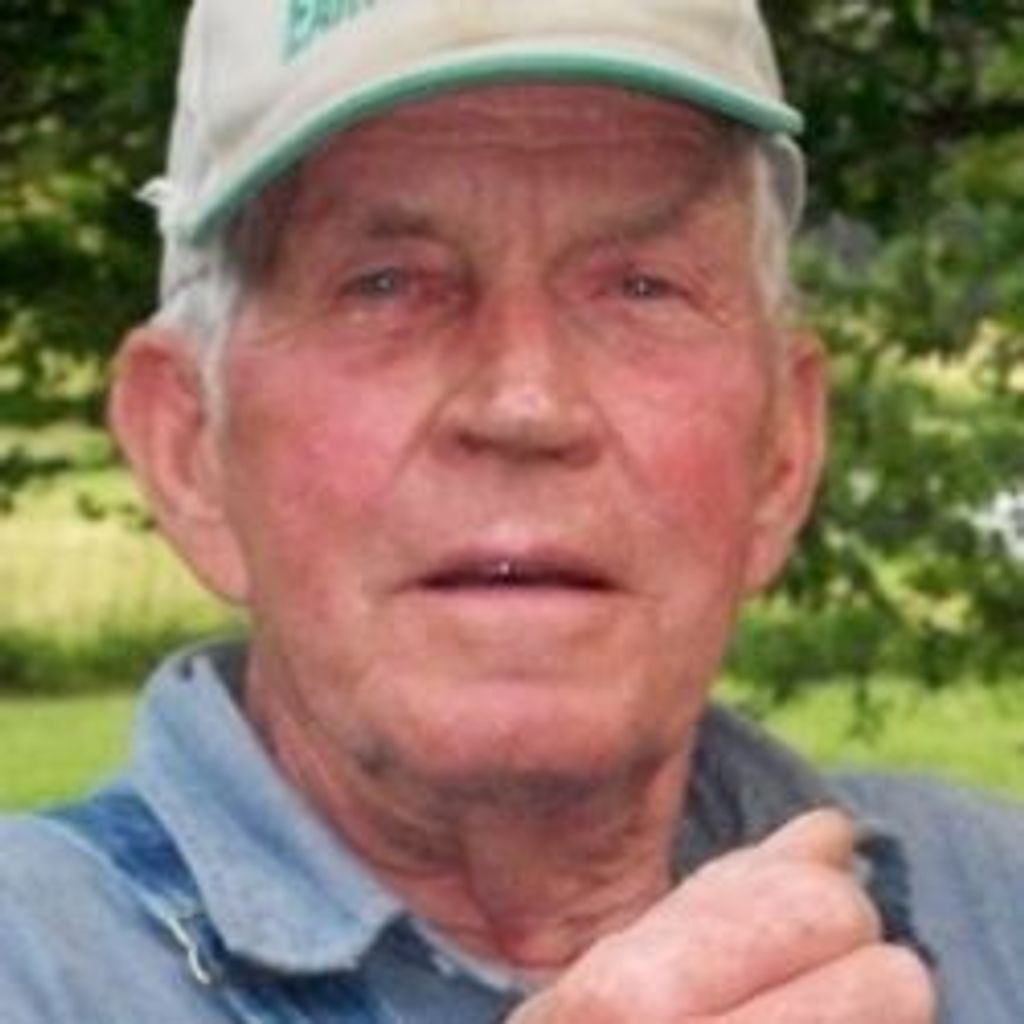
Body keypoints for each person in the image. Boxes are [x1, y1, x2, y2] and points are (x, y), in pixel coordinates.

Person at [2, 2, 1021, 1022]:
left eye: (641, 287)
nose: (524, 404)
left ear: (783, 449)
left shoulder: (994, 904)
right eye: (385, 285)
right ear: (191, 447)